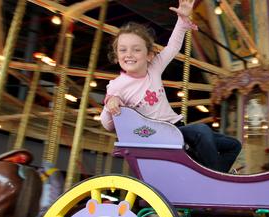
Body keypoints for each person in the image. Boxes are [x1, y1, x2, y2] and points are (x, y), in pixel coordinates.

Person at [100, 0, 241, 173]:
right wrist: (110, 104)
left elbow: (173, 46)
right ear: (116, 56)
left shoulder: (154, 67)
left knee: (233, 145)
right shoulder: (117, 86)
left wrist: (182, 20)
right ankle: (215, 176)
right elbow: (107, 124)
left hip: (176, 128)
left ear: (149, 55)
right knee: (202, 130)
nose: (129, 54)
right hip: (158, 135)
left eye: (136, 49)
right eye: (123, 50)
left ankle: (210, 173)